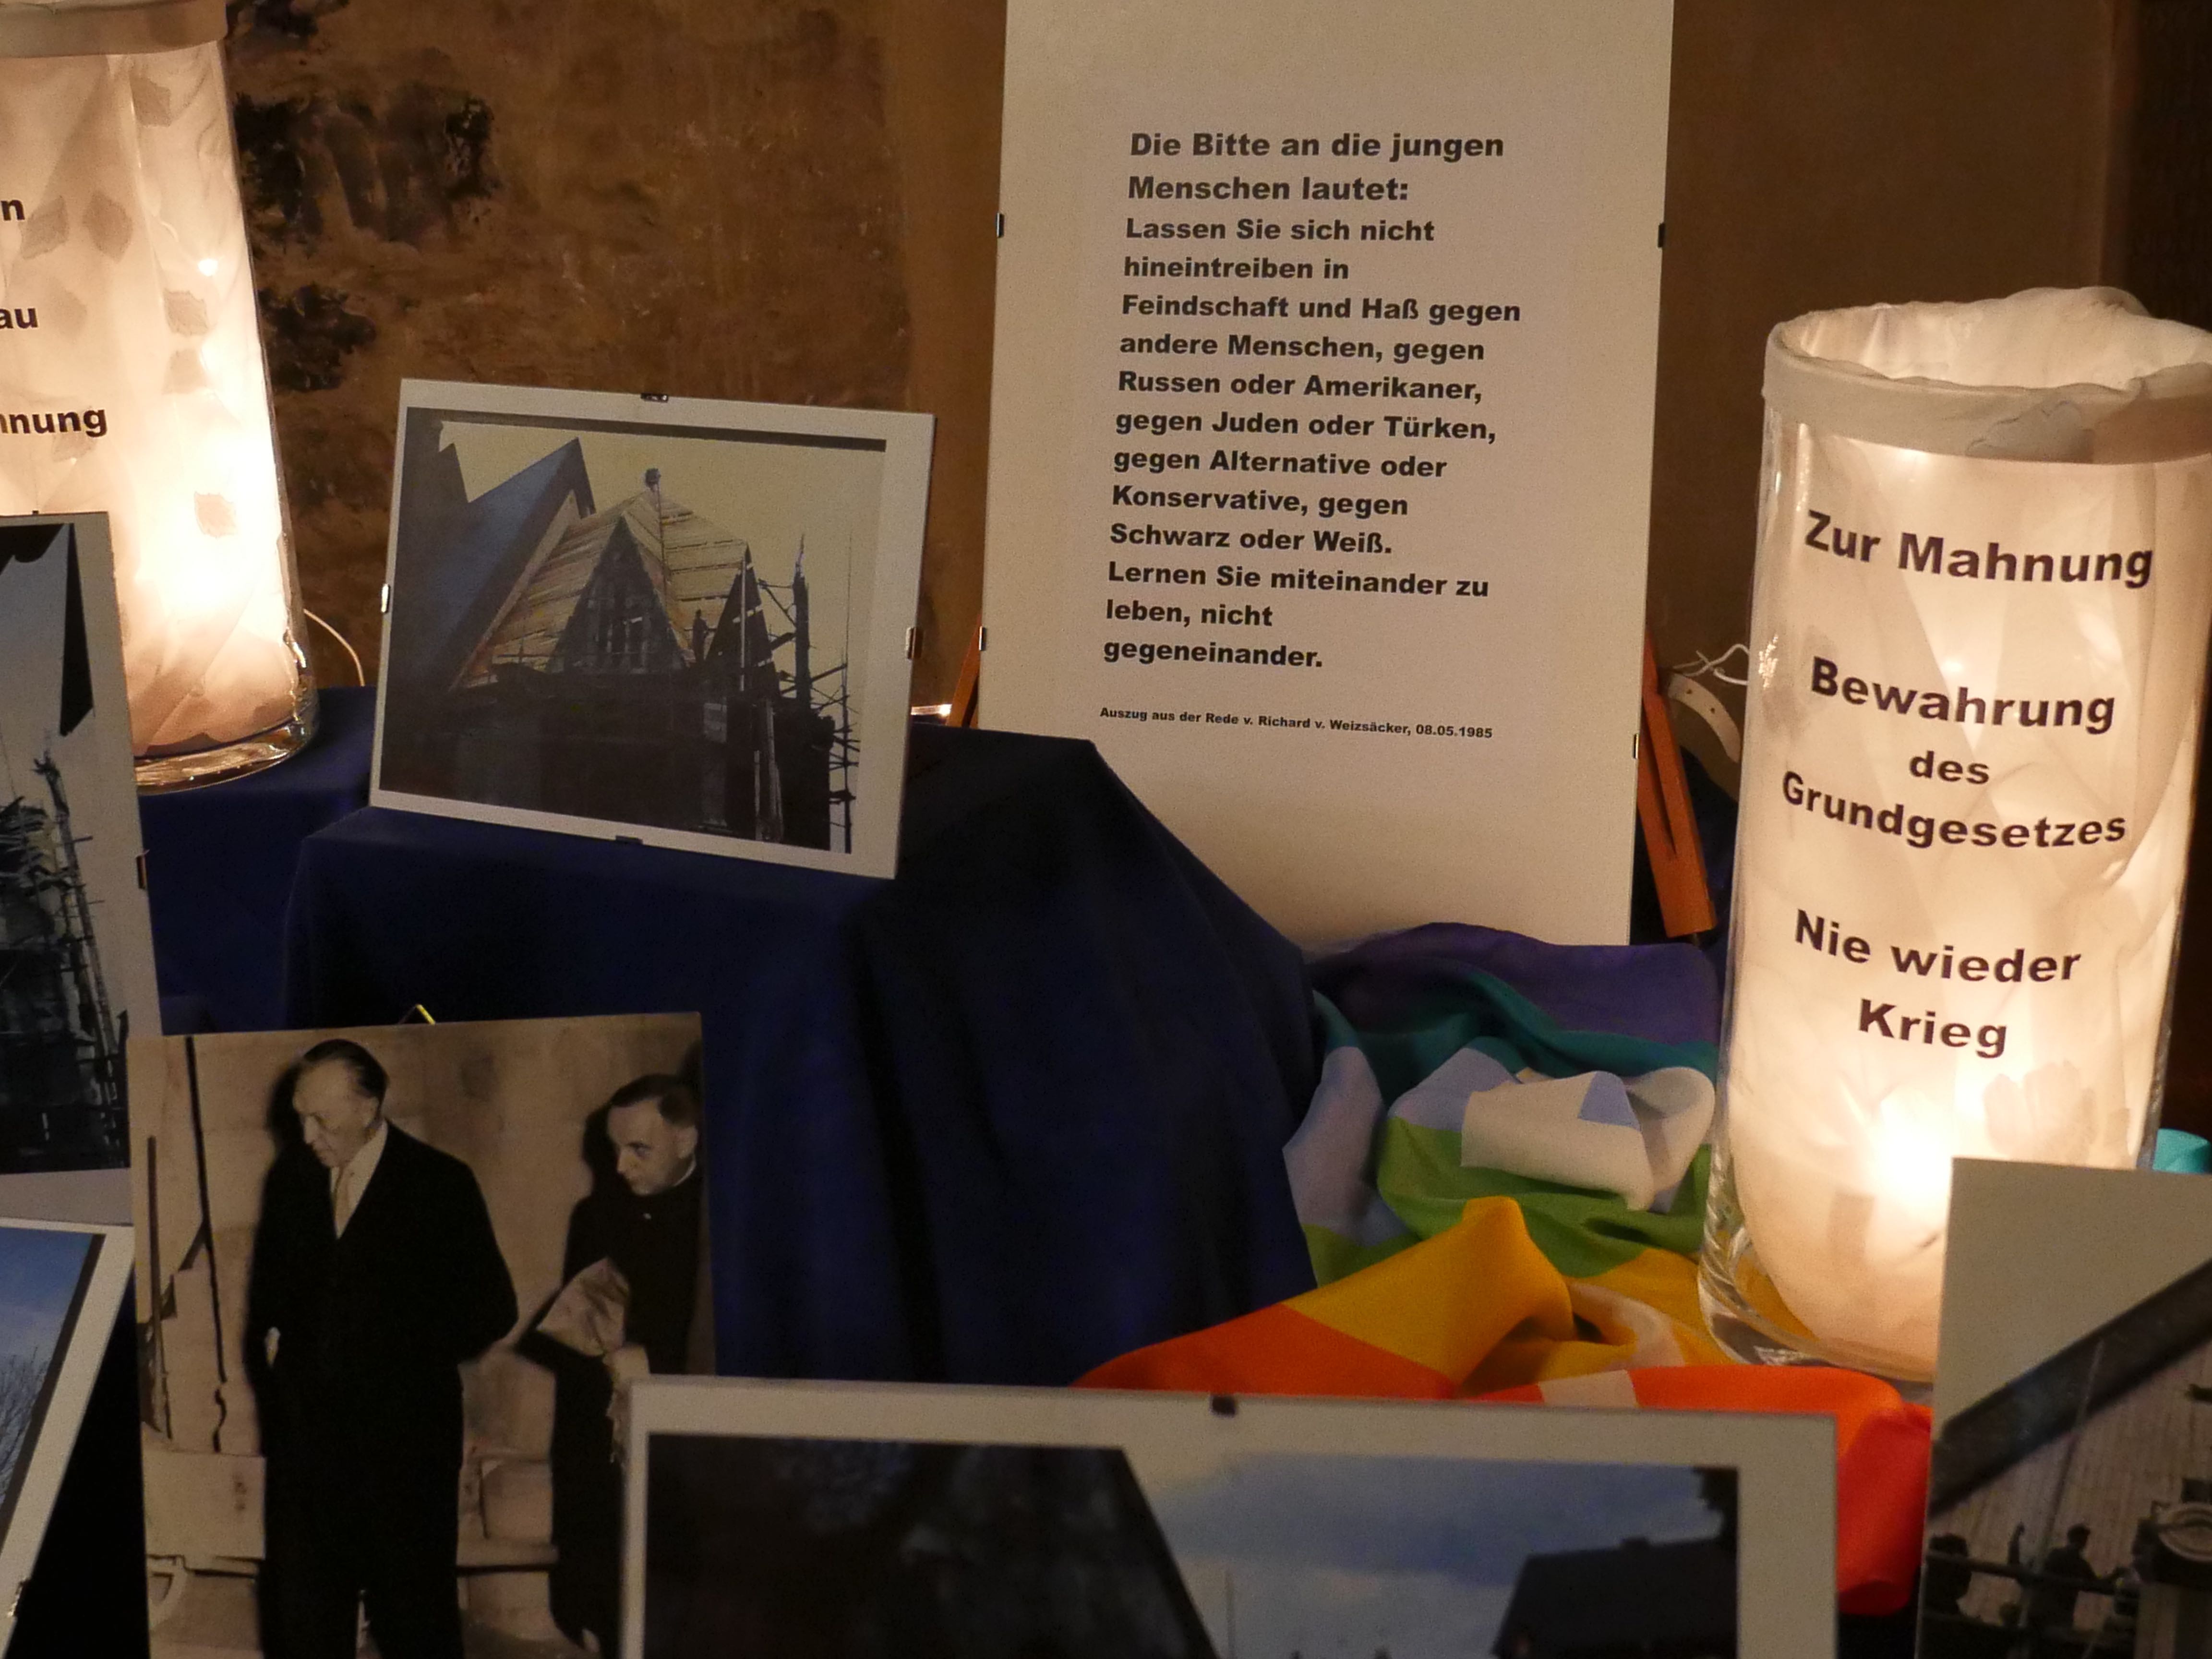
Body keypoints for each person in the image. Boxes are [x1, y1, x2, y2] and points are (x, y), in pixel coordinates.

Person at [246, 1038, 518, 1659]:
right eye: (300, 1118)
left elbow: (493, 1308)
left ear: (370, 1107)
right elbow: (268, 1305)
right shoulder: (291, 1180)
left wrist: (398, 1350)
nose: (308, 1136)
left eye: (322, 1119)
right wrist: (281, 1369)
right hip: (310, 1448)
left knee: (415, 1617)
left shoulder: (440, 1183)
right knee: (306, 1619)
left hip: (406, 1445)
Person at [534, 1074, 709, 1656]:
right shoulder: (595, 1218)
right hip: (605, 1446)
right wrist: (610, 1358)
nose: (620, 1167)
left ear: (686, 1141)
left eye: (639, 1149)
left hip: (690, 1447)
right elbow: (580, 1331)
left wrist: (652, 1363)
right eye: (614, 1149)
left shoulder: (722, 1220)